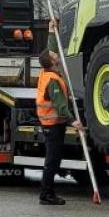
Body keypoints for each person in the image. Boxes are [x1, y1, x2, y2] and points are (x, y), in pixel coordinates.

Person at [35, 19, 82, 205]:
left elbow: (51, 49)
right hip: (52, 125)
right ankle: (46, 194)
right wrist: (73, 122)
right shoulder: (53, 81)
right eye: (55, 57)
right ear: (53, 62)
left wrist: (51, 32)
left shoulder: (47, 72)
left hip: (53, 124)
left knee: (54, 159)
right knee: (52, 161)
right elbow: (61, 106)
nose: (58, 56)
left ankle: (47, 192)